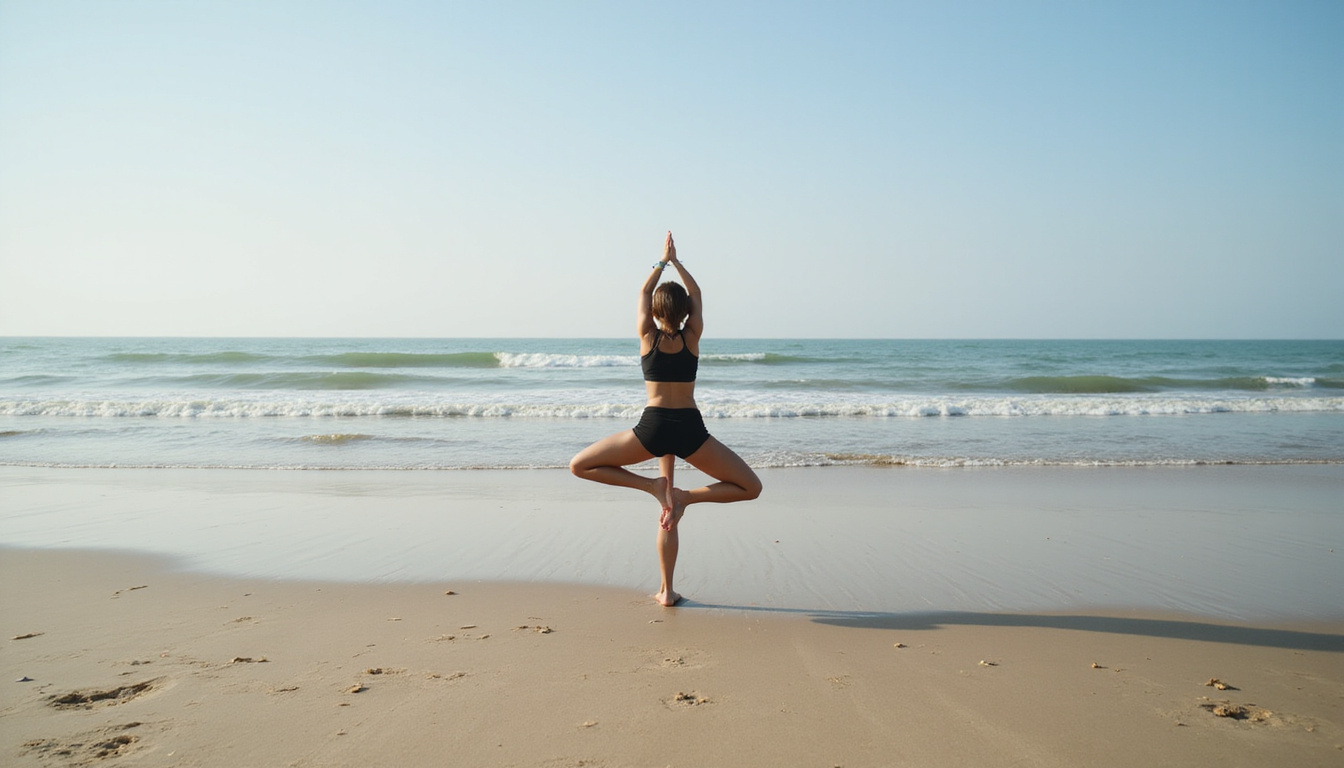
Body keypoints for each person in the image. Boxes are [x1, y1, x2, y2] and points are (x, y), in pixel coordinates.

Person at [570, 231, 762, 606]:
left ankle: (658, 502)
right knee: (750, 487)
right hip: (690, 431)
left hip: (653, 430)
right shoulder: (692, 336)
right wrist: (678, 263)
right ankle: (683, 500)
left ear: (656, 313)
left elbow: (643, 294)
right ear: (686, 311)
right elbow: (698, 296)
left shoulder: (647, 336)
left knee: (580, 466)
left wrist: (661, 262)